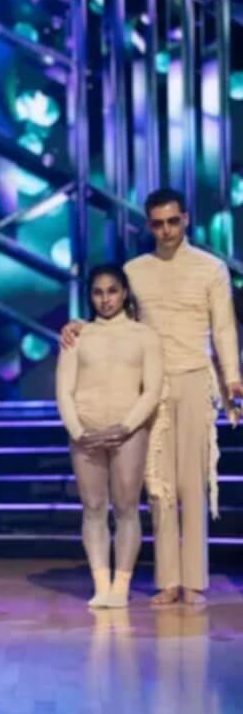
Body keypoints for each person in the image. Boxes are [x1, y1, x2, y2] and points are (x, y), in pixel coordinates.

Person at [61, 188, 242, 606]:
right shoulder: (135, 271)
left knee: (192, 482)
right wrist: (79, 326)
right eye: (158, 223)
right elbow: (114, 318)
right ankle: (167, 580)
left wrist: (232, 378)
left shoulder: (210, 269)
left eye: (173, 221)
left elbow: (224, 329)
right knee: (157, 485)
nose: (166, 230)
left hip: (195, 377)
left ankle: (193, 581)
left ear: (186, 219)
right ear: (148, 225)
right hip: (147, 387)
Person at [55, 265, 163, 609]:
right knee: (93, 508)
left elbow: (152, 389)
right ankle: (101, 584)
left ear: (125, 292)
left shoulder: (144, 335)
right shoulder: (77, 337)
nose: (105, 299)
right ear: (90, 296)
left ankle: (121, 585)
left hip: (128, 431)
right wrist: (78, 431)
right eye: (98, 292)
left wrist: (128, 425)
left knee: (127, 507)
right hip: (85, 432)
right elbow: (64, 391)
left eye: (112, 291)